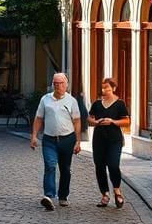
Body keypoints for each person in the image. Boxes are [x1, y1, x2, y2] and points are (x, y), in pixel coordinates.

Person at [30, 72, 81, 210]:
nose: (58, 86)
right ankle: (49, 195)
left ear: (66, 85)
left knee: (65, 169)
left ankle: (63, 195)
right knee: (50, 165)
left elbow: (76, 121)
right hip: (49, 139)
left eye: (60, 83)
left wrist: (78, 141)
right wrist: (34, 135)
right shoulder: (45, 100)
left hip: (67, 139)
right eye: (55, 83)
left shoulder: (71, 101)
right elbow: (39, 118)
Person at [87, 77, 131, 208]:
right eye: (102, 87)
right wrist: (96, 122)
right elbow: (89, 119)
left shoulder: (120, 104)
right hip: (99, 139)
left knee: (113, 165)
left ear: (113, 88)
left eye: (107, 87)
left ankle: (117, 191)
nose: (104, 90)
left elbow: (127, 121)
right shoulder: (97, 103)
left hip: (114, 139)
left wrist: (112, 121)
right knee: (99, 166)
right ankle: (104, 194)